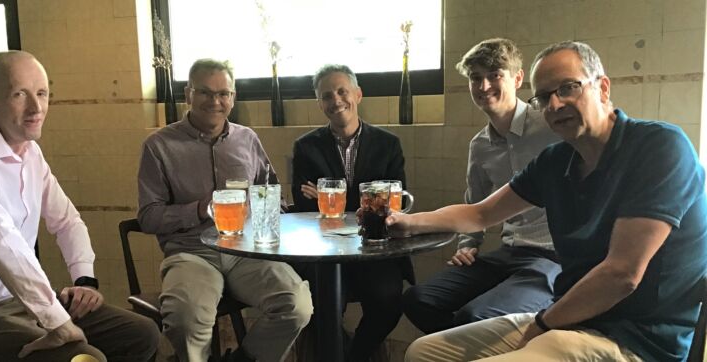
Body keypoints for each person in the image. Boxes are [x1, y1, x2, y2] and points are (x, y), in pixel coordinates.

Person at [395, 41, 707, 362]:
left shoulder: (659, 147)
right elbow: (481, 213)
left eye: (568, 88)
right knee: (424, 351)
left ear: (602, 87)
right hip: (573, 320)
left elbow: (621, 275)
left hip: (637, 340)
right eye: (544, 97)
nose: (555, 105)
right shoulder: (556, 160)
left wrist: (544, 323)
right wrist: (404, 221)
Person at [0, 51, 159, 362]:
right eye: (20, 94)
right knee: (81, 356)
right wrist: (56, 318)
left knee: (141, 333)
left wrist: (84, 281)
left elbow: (66, 220)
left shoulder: (31, 154)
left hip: (21, 301)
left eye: (42, 93)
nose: (36, 107)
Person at [137, 58, 313, 362]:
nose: (215, 101)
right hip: (192, 252)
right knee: (185, 318)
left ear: (233, 97)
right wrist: (202, 208)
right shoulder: (159, 145)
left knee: (297, 305)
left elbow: (272, 193)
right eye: (205, 93)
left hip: (246, 252)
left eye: (224, 94)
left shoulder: (247, 139)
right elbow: (149, 216)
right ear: (188, 94)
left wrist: (274, 209)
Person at [402, 38, 561, 334]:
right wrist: (468, 246)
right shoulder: (480, 145)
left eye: (494, 75)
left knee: (474, 317)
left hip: (552, 258)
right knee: (418, 299)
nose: (484, 86)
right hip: (509, 251)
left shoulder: (550, 127)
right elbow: (474, 205)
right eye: (476, 78)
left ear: (517, 78)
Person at [291, 64, 410, 361]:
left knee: (389, 301)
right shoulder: (305, 147)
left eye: (342, 91)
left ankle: (355, 355)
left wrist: (331, 199)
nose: (336, 100)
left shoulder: (388, 144)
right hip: (322, 252)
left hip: (374, 249)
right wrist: (365, 203)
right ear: (320, 103)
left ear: (358, 94)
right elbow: (304, 206)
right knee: (321, 306)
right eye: (326, 95)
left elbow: (390, 206)